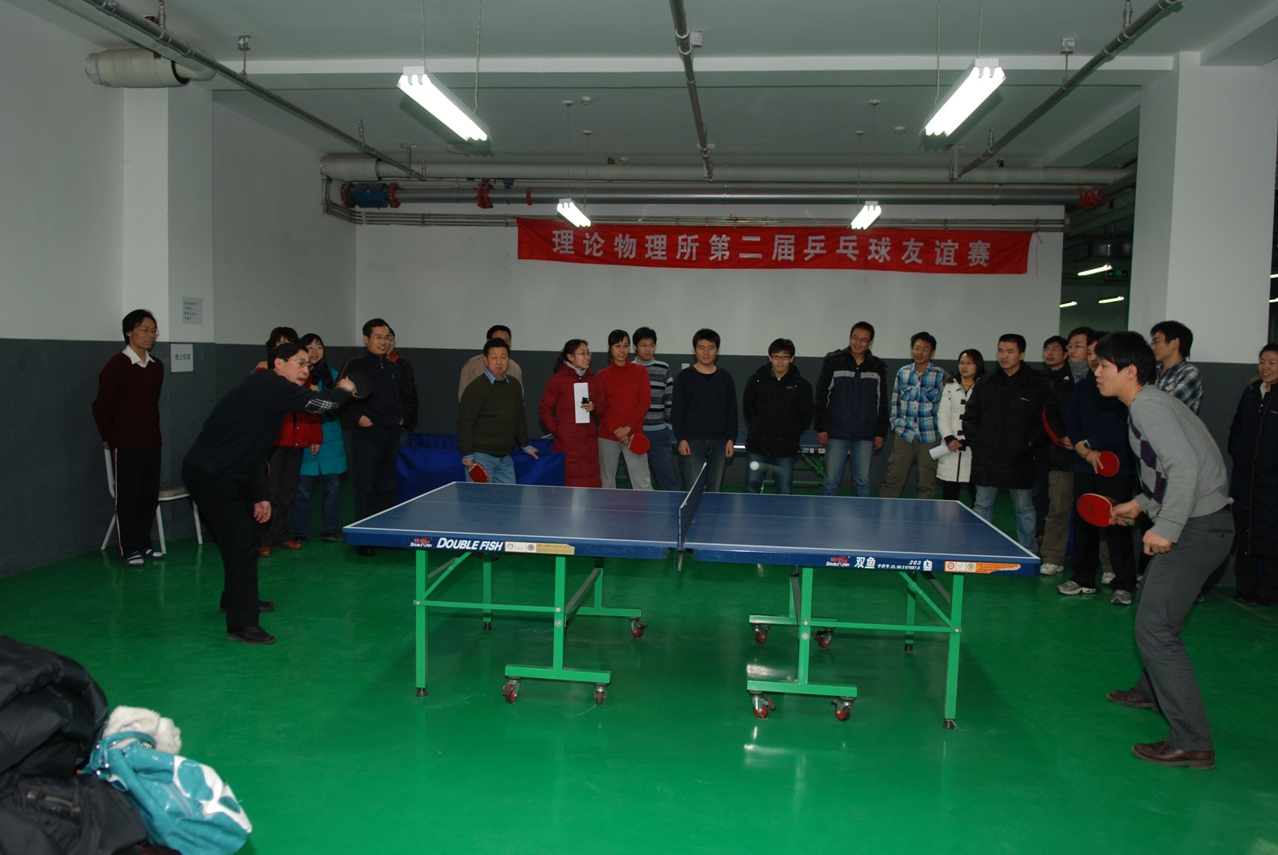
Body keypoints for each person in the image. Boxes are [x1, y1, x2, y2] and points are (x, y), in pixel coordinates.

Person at [1099, 331, 1233, 770]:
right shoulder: (1149, 402)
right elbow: (1168, 473)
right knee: (1153, 611)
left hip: (1197, 528)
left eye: (1104, 365)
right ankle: (1152, 690)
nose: (1097, 372)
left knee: (1155, 628)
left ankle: (1192, 741)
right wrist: (1141, 504)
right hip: (1202, 522)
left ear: (1129, 371)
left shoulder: (1148, 406)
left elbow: (1186, 468)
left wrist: (1167, 527)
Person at [183, 342, 356, 644]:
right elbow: (320, 403)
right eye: (299, 363)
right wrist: (344, 389)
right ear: (278, 363)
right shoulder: (268, 384)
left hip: (232, 474)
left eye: (308, 365)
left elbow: (256, 452)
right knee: (241, 539)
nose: (305, 370)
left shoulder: (270, 392)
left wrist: (260, 495)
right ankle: (242, 624)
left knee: (241, 538)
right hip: (209, 475)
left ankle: (235, 599)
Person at [1058, 329, 1139, 603]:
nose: (1094, 359)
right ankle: (1082, 578)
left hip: (1118, 468)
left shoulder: (1122, 391)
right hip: (1085, 466)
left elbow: (1124, 425)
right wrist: (1085, 451)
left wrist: (1091, 443)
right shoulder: (1083, 388)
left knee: (1117, 527)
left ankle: (1124, 583)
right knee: (1084, 523)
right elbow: (1072, 421)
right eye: (1092, 354)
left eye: (1099, 355)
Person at [961, 334, 1047, 551]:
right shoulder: (986, 382)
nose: (1004, 356)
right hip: (987, 457)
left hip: (1020, 457)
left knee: (1024, 507)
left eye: (1010, 351)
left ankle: (1028, 552)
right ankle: (980, 551)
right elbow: (970, 416)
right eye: (1000, 350)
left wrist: (1028, 444)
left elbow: (1044, 421)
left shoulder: (1036, 384)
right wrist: (978, 441)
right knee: (982, 505)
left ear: (1022, 354)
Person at [92, 309, 164, 567]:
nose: (150, 335)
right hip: (125, 443)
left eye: (153, 331)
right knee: (128, 498)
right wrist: (109, 437)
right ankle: (129, 548)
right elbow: (102, 407)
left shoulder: (156, 366)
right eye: (144, 330)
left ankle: (144, 544)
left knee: (148, 497)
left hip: (152, 441)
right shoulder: (117, 366)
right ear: (128, 332)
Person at [340, 318, 408, 557]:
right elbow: (341, 397)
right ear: (366, 339)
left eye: (387, 337)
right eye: (378, 337)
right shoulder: (355, 365)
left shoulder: (394, 368)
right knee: (365, 486)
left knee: (387, 487)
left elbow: (405, 397)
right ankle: (364, 538)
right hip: (367, 434)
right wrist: (357, 417)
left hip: (391, 433)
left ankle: (384, 535)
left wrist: (402, 418)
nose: (383, 342)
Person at [254, 327, 319, 557]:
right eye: (281, 344)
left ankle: (282, 535)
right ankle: (263, 539)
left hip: (296, 442)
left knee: (288, 491)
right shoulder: (263, 375)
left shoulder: (303, 375)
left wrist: (315, 435)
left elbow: (312, 406)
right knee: (269, 492)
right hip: (273, 443)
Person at [1225, 343, 1278, 606]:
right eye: (1262, 361)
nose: (1265, 367)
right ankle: (1245, 586)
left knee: (1271, 533)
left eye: (1272, 363)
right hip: (1246, 477)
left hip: (1272, 481)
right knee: (1244, 530)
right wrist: (1237, 449)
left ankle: (1268, 589)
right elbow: (1236, 426)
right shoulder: (1250, 392)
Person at [814, 322, 890, 497]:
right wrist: (821, 427)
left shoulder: (877, 367)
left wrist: (881, 432)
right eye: (855, 338)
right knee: (831, 480)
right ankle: (825, 514)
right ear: (849, 337)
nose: (858, 343)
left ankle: (863, 515)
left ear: (870, 342)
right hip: (836, 432)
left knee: (862, 481)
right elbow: (821, 396)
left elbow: (882, 402)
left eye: (863, 340)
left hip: (865, 433)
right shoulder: (833, 362)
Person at [459, 338, 539, 483]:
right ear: (485, 360)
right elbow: (465, 423)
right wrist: (467, 454)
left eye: (503, 357)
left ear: (508, 360)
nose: (499, 362)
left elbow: (519, 418)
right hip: (481, 456)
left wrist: (525, 445)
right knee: (480, 498)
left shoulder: (514, 385)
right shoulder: (476, 388)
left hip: (505, 456)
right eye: (494, 357)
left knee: (508, 497)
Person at [293, 334, 347, 543]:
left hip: (330, 435)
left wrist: (321, 398)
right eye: (309, 347)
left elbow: (340, 406)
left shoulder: (334, 375)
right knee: (302, 487)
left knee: (332, 486)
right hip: (304, 435)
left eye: (319, 347)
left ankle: (330, 529)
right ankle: (299, 530)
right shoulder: (296, 374)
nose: (314, 351)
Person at [742, 338, 814, 494]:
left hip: (785, 449)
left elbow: (805, 415)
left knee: (784, 491)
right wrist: (758, 426)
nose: (780, 361)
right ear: (770, 357)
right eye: (776, 356)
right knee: (751, 490)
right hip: (757, 446)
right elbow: (748, 408)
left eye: (785, 357)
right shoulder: (755, 381)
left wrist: (790, 432)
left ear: (792, 358)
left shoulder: (802, 385)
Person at [879, 332, 946, 499]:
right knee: (892, 480)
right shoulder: (903, 373)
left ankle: (923, 516)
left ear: (932, 352)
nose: (920, 353)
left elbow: (944, 407)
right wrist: (897, 424)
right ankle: (883, 513)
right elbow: (895, 402)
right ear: (911, 349)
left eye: (925, 349)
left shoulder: (940, 375)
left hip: (930, 437)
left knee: (926, 483)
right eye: (917, 348)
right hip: (905, 435)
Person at [672, 328, 738, 492]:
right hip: (692, 442)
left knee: (714, 491)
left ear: (717, 350)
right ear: (695, 350)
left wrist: (731, 438)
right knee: (693, 491)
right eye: (701, 348)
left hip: (719, 442)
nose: (706, 352)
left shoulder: (725, 378)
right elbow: (677, 411)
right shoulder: (684, 377)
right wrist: (682, 438)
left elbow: (732, 410)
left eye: (711, 348)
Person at [539, 339, 604, 487]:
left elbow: (602, 408)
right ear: (570, 357)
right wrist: (559, 431)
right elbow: (544, 410)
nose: (587, 357)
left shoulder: (594, 379)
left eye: (588, 353)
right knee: (568, 487)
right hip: (567, 443)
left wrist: (594, 407)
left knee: (591, 485)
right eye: (582, 353)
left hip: (589, 443)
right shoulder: (557, 380)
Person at [595, 330, 653, 490]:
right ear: (610, 348)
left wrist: (627, 428)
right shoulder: (602, 375)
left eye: (625, 346)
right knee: (606, 482)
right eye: (617, 346)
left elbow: (644, 402)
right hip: (607, 436)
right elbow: (600, 408)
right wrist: (617, 431)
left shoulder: (640, 371)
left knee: (642, 484)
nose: (622, 350)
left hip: (634, 435)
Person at [1038, 335, 1076, 576]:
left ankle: (1107, 567)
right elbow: (1046, 414)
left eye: (1056, 349)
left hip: (1084, 455)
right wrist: (1061, 438)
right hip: (1055, 454)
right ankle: (1052, 558)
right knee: (1055, 508)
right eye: (1047, 349)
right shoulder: (1044, 381)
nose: (1050, 353)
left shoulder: (1079, 382)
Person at [633, 327, 680, 491]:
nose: (648, 349)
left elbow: (670, 398)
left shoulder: (663, 367)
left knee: (668, 479)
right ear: (635, 347)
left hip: (659, 433)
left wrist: (668, 426)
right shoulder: (628, 368)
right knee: (637, 483)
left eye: (651, 345)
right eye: (643, 345)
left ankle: (676, 507)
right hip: (635, 433)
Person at [936, 349, 985, 503]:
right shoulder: (950, 385)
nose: (964, 366)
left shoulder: (985, 386)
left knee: (976, 495)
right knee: (949, 494)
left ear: (978, 365)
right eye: (962, 363)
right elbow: (943, 414)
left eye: (969, 363)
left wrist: (968, 440)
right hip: (950, 446)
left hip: (974, 447)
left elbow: (985, 418)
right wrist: (949, 438)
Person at [458, 325, 523, 401]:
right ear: (488, 341)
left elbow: (519, 399)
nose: (502, 344)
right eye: (497, 340)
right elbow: (465, 399)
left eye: (506, 340)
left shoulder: (515, 368)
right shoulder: (472, 366)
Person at [1150, 321, 1202, 414]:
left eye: (1157, 341)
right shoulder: (1153, 371)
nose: (1153, 347)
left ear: (1174, 343)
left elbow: (1168, 406)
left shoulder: (1190, 372)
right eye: (1152, 343)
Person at [388, 329, 419, 443]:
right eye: (381, 338)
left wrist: (407, 418)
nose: (387, 343)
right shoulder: (363, 363)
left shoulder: (402, 363)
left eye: (390, 339)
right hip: (374, 427)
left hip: (399, 426)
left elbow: (411, 393)